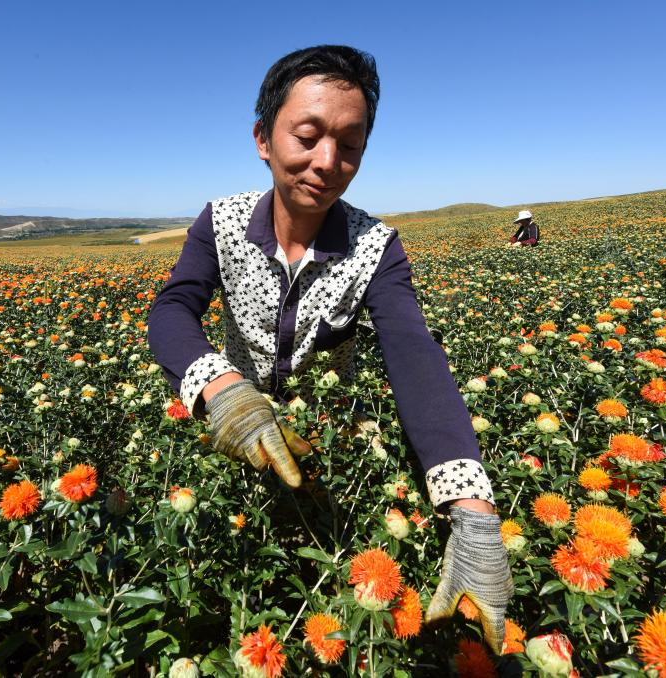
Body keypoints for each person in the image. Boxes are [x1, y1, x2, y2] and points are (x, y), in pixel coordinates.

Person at [147, 45, 512, 653]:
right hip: (235, 420)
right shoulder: (220, 222)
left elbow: (414, 353)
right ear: (264, 138)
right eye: (308, 136)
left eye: (349, 146)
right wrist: (221, 389)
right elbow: (172, 309)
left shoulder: (377, 247)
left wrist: (472, 511)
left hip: (329, 431)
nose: (326, 162)